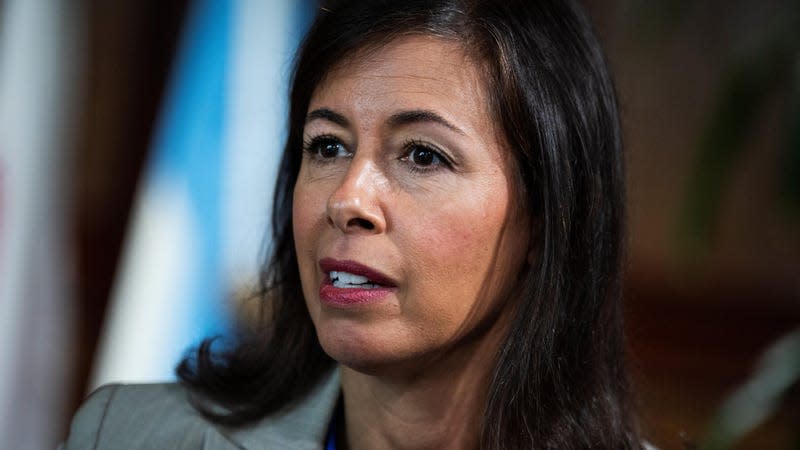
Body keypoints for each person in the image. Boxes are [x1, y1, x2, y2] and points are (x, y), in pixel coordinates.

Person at [63, 0, 644, 448]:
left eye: (422, 155)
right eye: (328, 146)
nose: (347, 199)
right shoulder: (126, 434)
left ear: (546, 222)